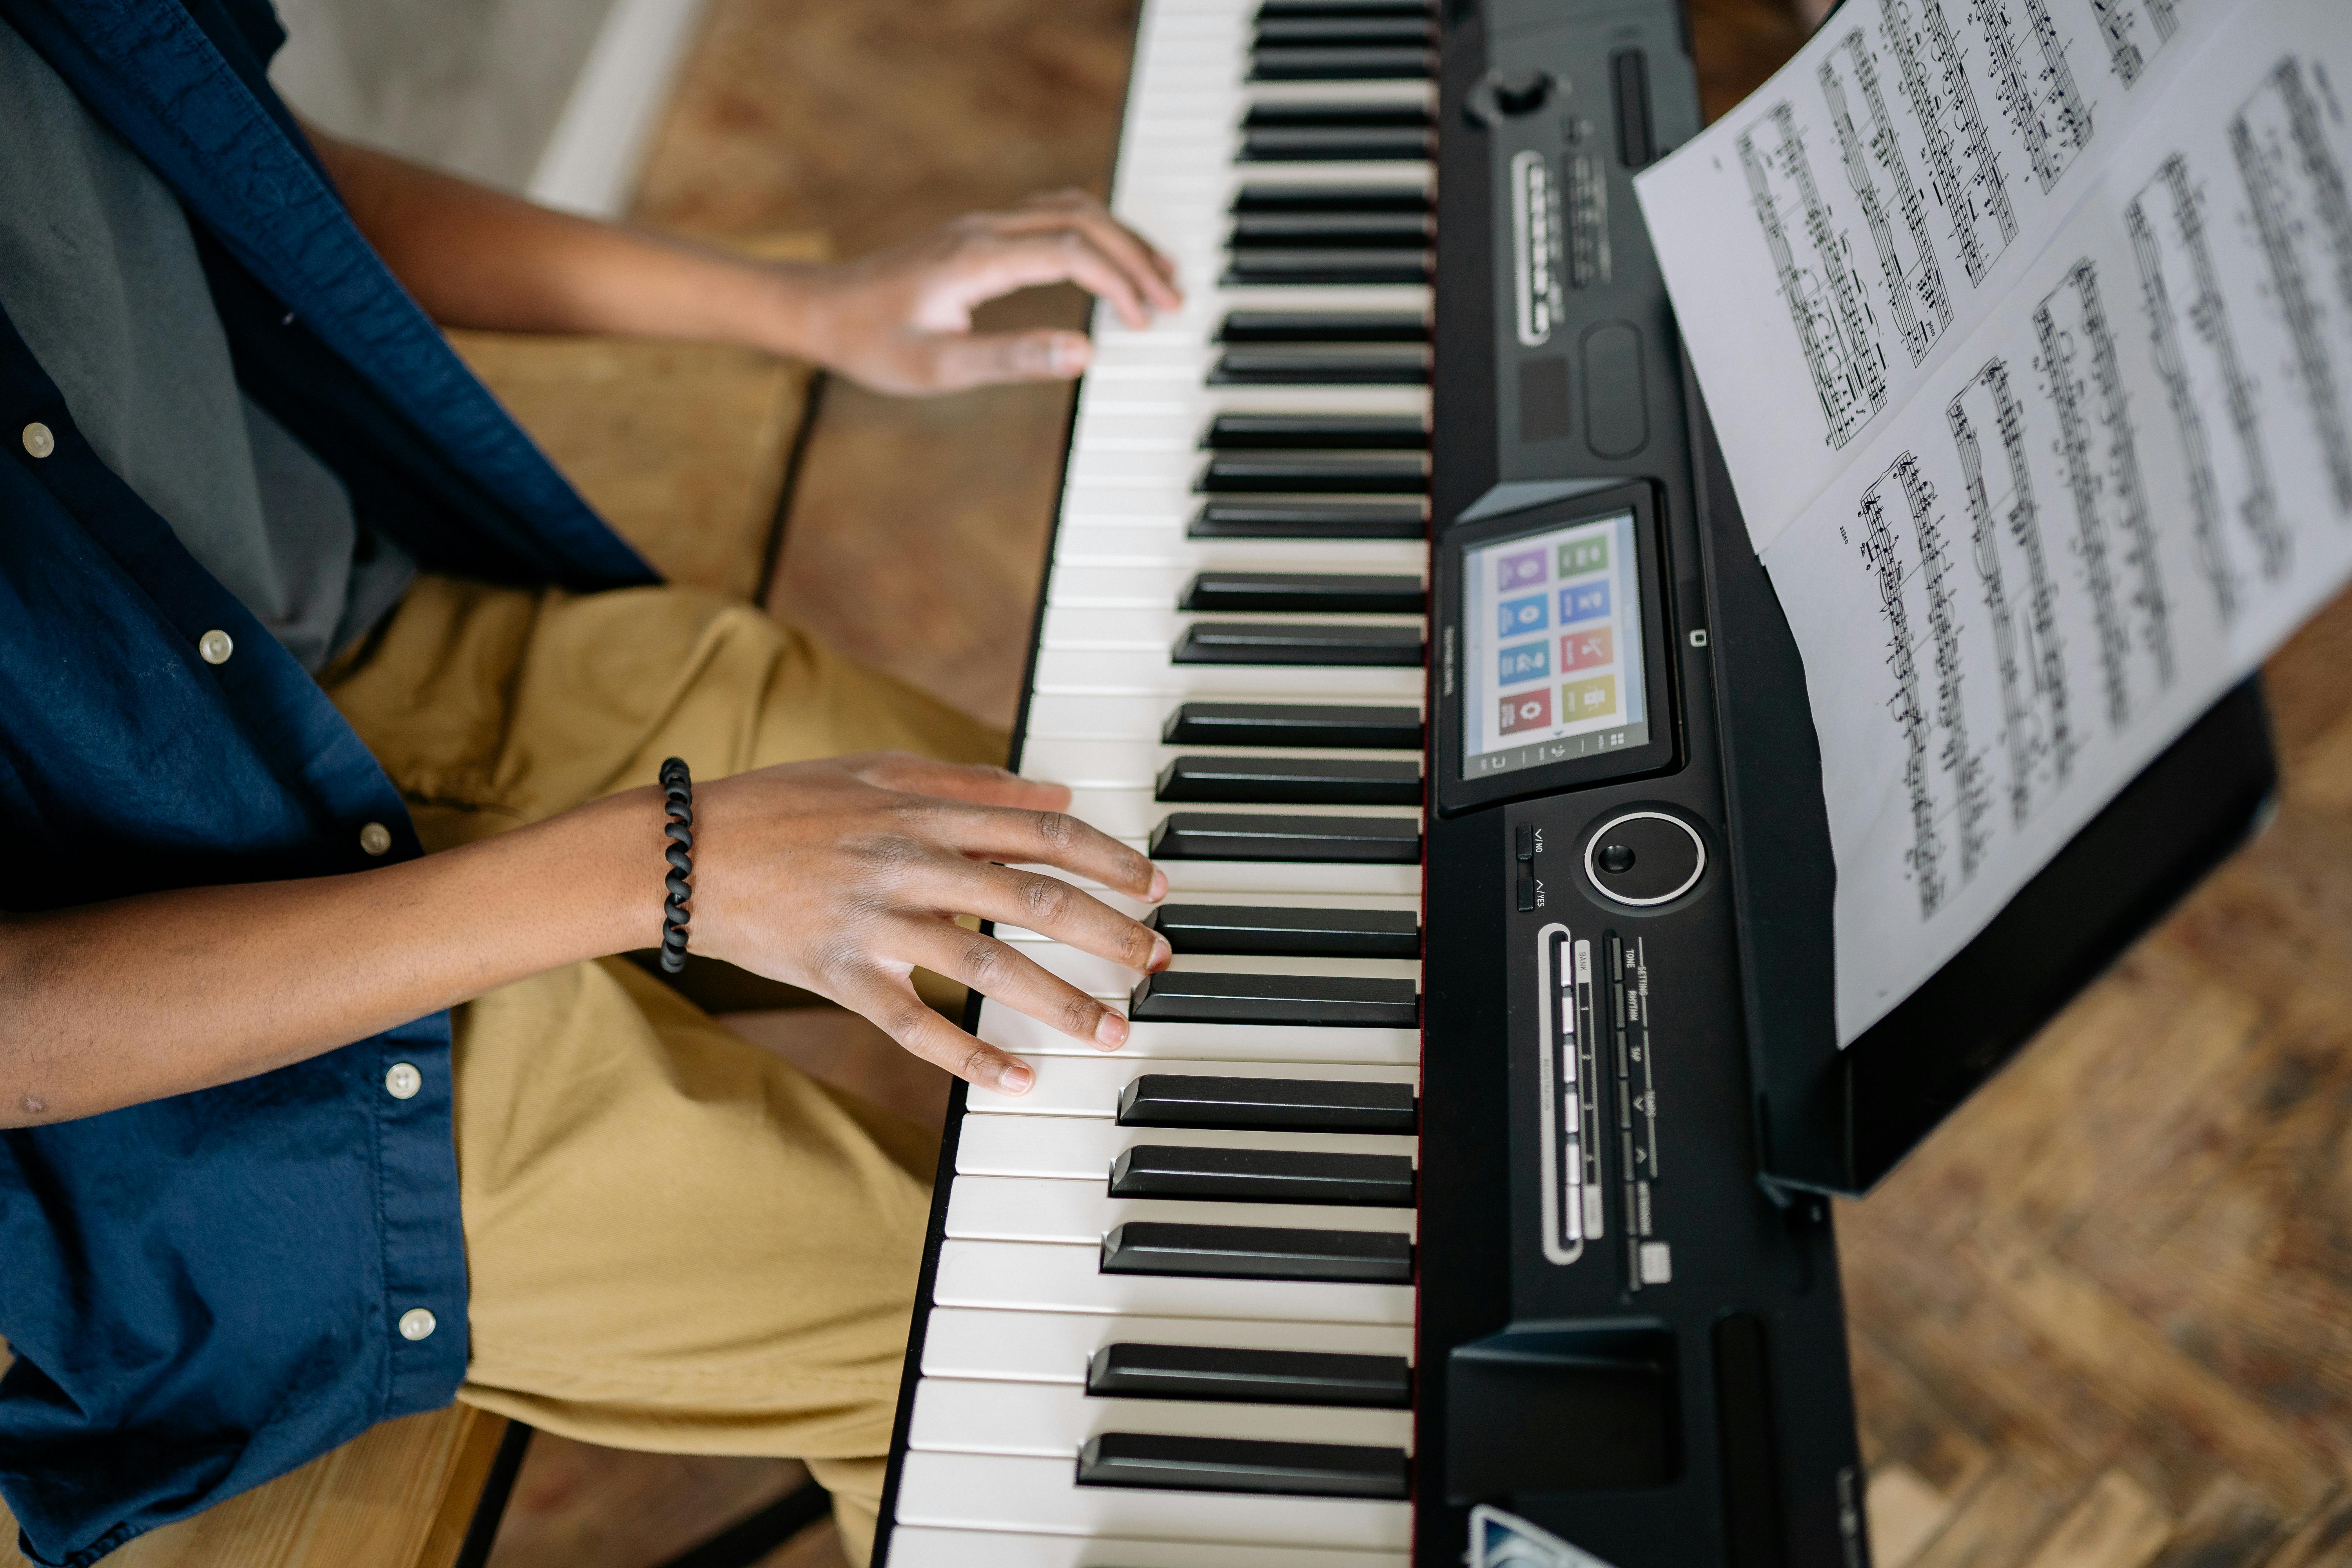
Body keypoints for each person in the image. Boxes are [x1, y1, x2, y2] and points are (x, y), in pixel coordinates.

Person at [0, 0, 1182, 1563]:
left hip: (364, 658)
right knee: (994, 1360)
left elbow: (246, 183)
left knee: (1132, 895)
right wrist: (661, 865)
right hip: (159, 1069)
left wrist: (812, 309)